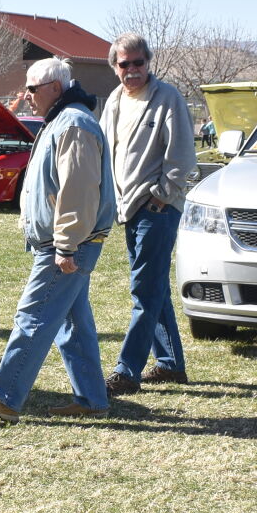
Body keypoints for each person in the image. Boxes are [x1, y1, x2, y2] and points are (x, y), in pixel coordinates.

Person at [0, 57, 116, 421]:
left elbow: (78, 192)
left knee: (33, 317)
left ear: (55, 89)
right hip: (67, 242)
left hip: (67, 244)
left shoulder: (73, 123)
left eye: (31, 88)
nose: (26, 95)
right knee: (71, 323)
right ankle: (92, 400)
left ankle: (5, 396)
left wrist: (66, 245)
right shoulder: (64, 120)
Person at [98, 32, 197, 396]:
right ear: (115, 67)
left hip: (156, 209)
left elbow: (183, 158)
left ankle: (127, 370)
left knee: (143, 289)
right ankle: (170, 365)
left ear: (148, 63)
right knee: (153, 288)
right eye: (124, 64)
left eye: (138, 62)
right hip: (126, 209)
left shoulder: (167, 98)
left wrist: (161, 197)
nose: (132, 69)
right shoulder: (113, 101)